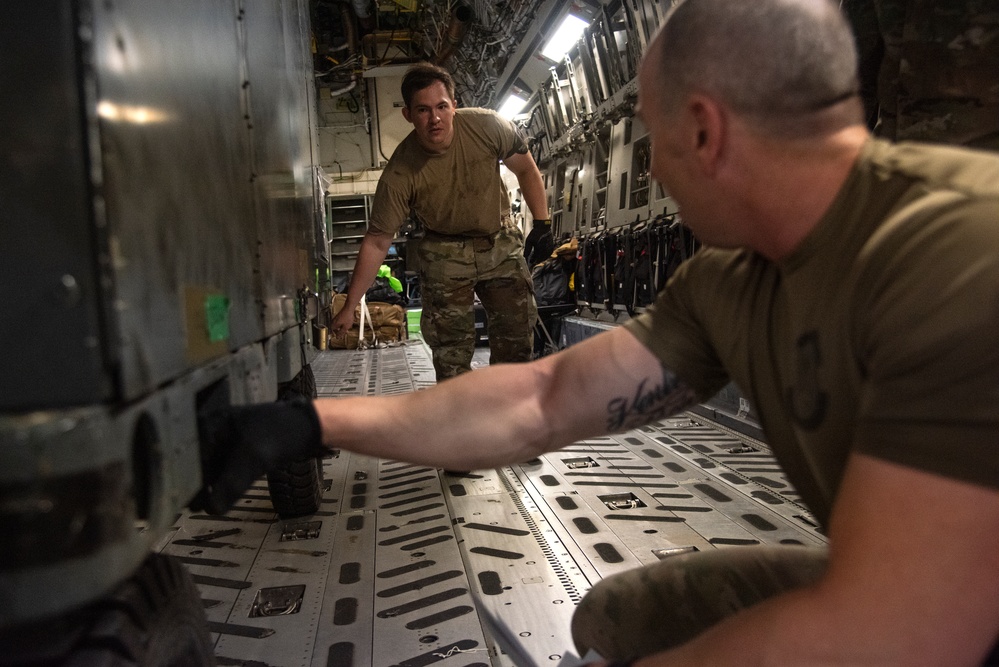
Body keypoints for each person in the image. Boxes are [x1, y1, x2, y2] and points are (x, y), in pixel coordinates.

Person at [195, 0, 999, 664]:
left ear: (704, 130)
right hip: (920, 600)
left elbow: (900, 632)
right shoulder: (730, 282)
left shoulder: (956, 253)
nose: (648, 173)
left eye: (649, 139)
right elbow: (544, 397)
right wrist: (309, 422)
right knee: (618, 621)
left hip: (941, 623)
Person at [330, 62, 551, 379]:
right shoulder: (400, 173)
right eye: (423, 110)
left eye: (441, 107)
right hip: (444, 252)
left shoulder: (488, 127)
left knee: (517, 339)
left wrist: (542, 225)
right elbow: (378, 240)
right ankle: (458, 419)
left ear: (454, 106)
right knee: (450, 352)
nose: (434, 119)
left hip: (499, 243)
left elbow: (526, 169)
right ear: (408, 114)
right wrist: (350, 306)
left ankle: (510, 414)